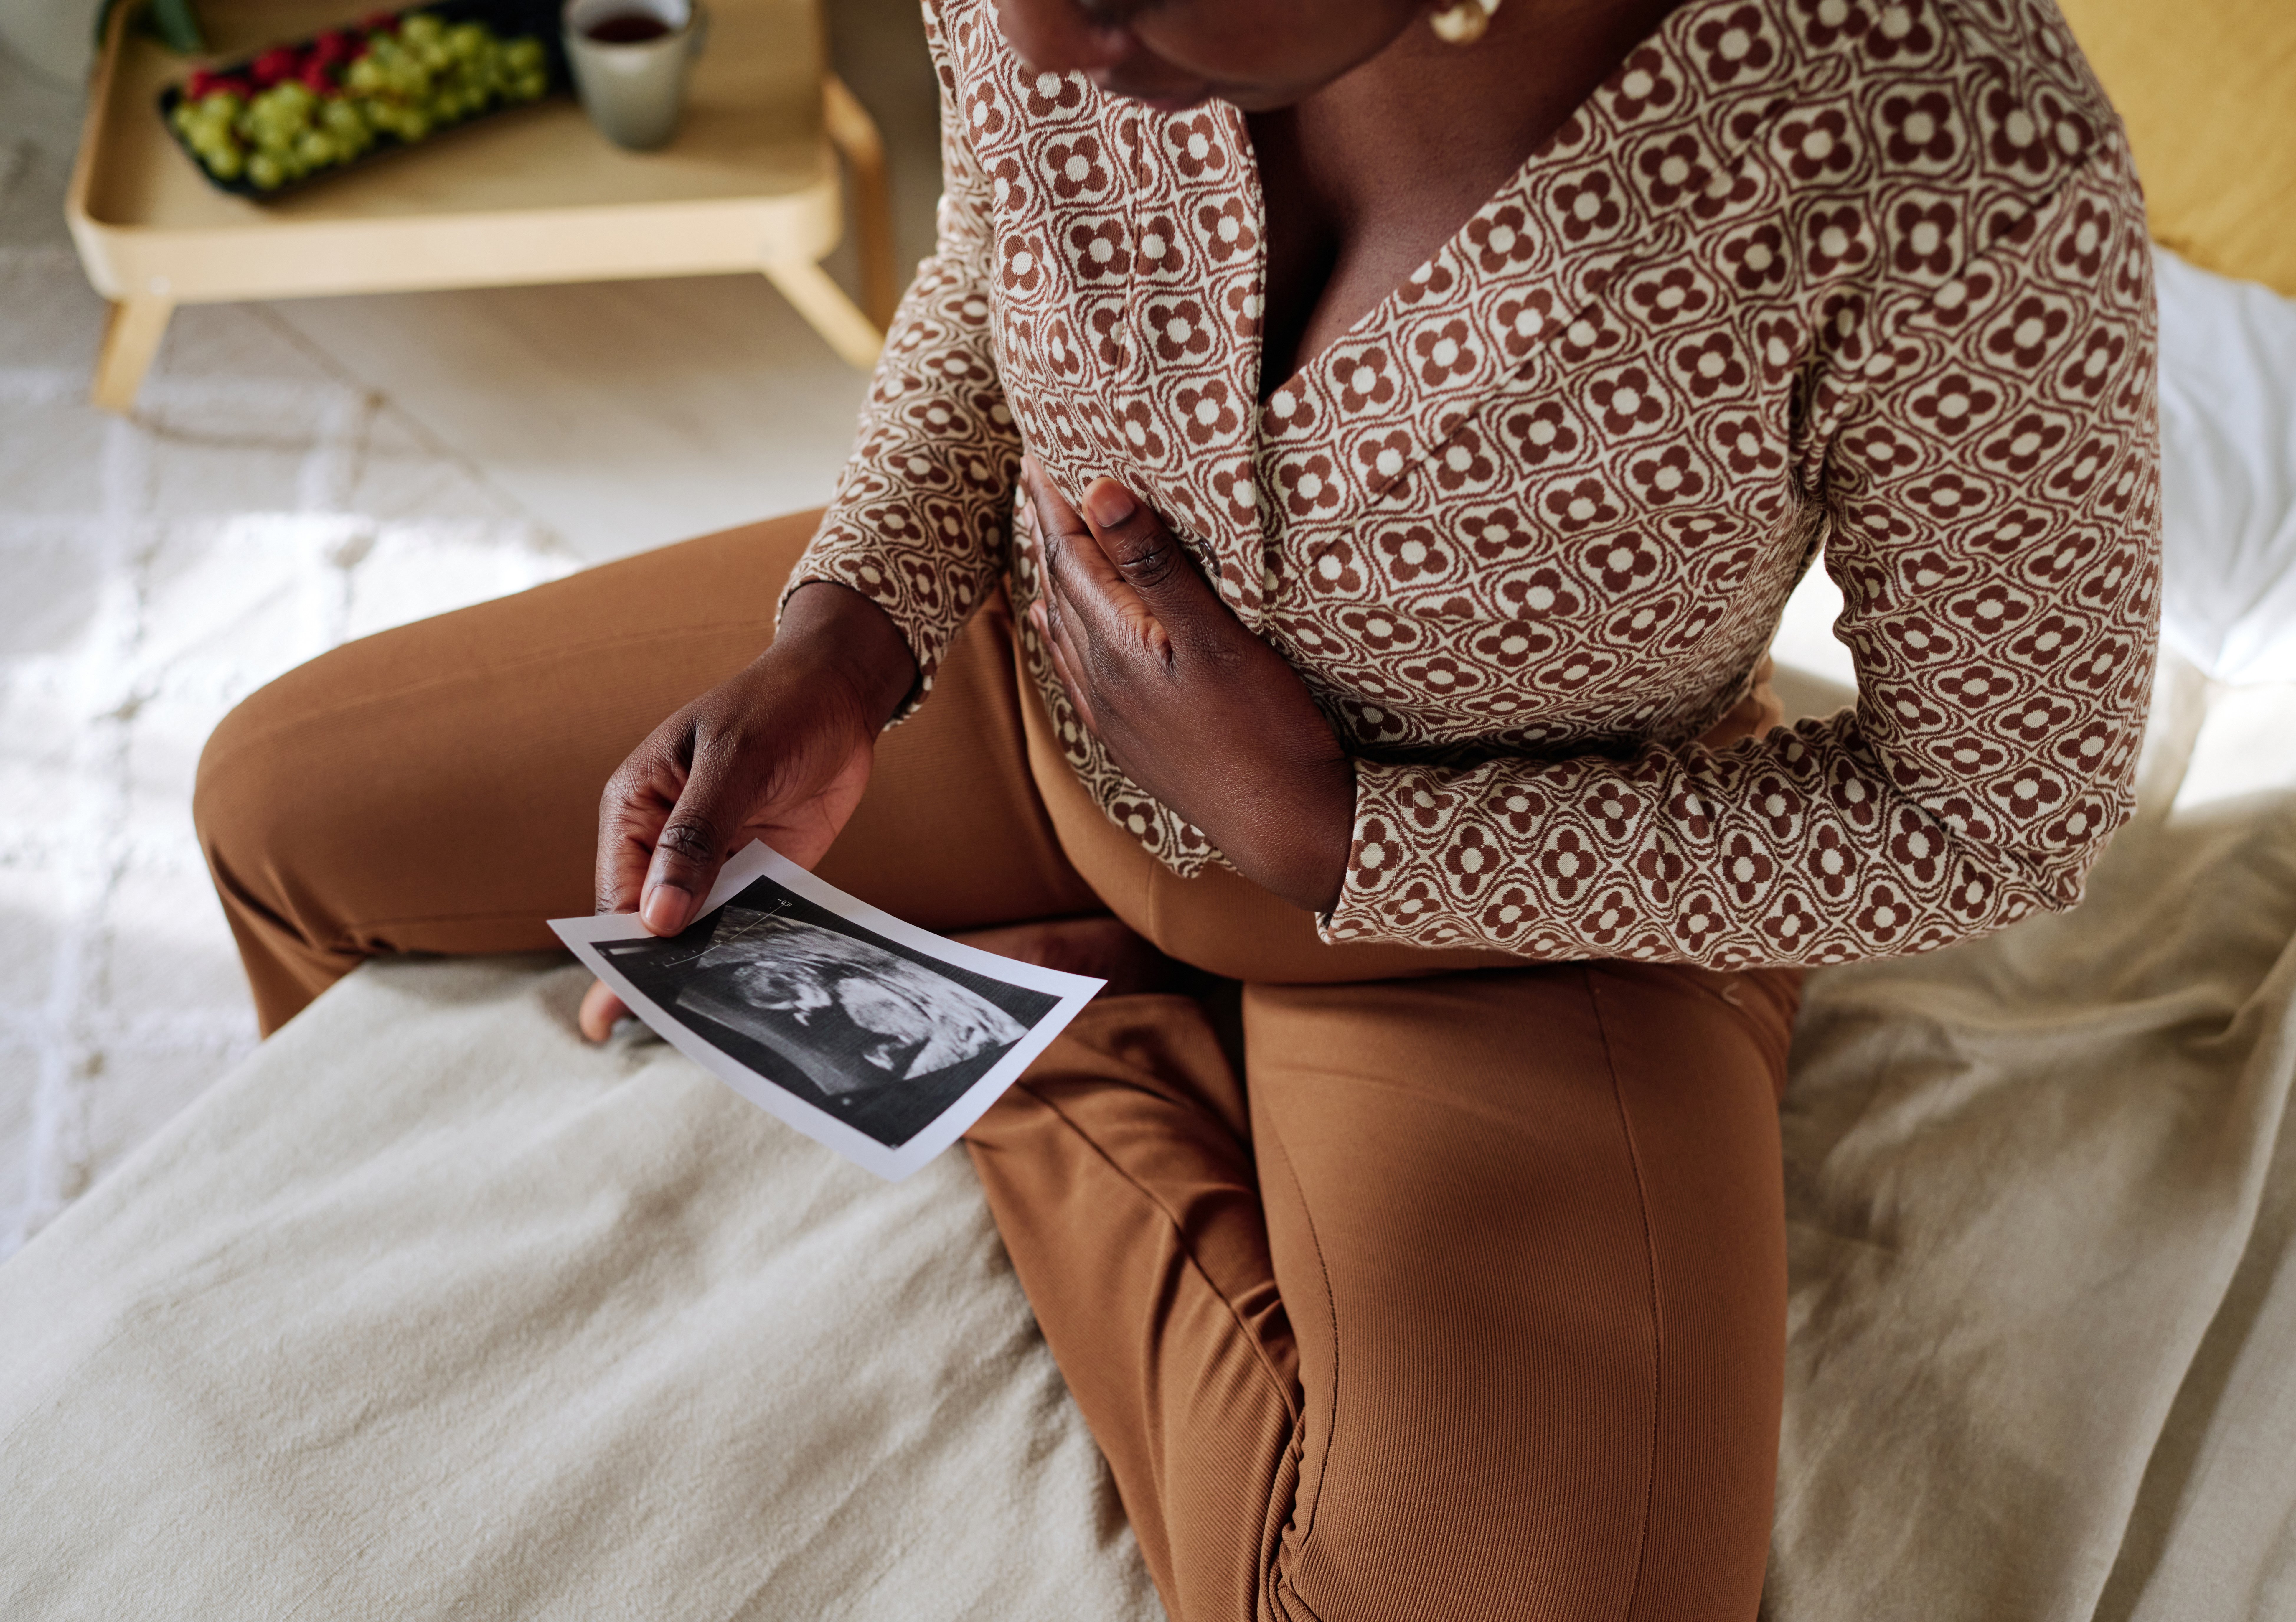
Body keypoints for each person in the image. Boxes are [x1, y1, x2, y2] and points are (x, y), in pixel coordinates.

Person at [194, 0, 2159, 1615]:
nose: (1040, 39)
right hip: (1009, 673)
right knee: (281, 811)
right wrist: (851, 631)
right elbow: (1002, 251)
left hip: (1498, 926)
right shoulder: (1055, 32)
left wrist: (1343, 840)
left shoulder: (1941, 134)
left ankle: (1064, 1062)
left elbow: (2003, 813)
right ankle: (1036, 963)